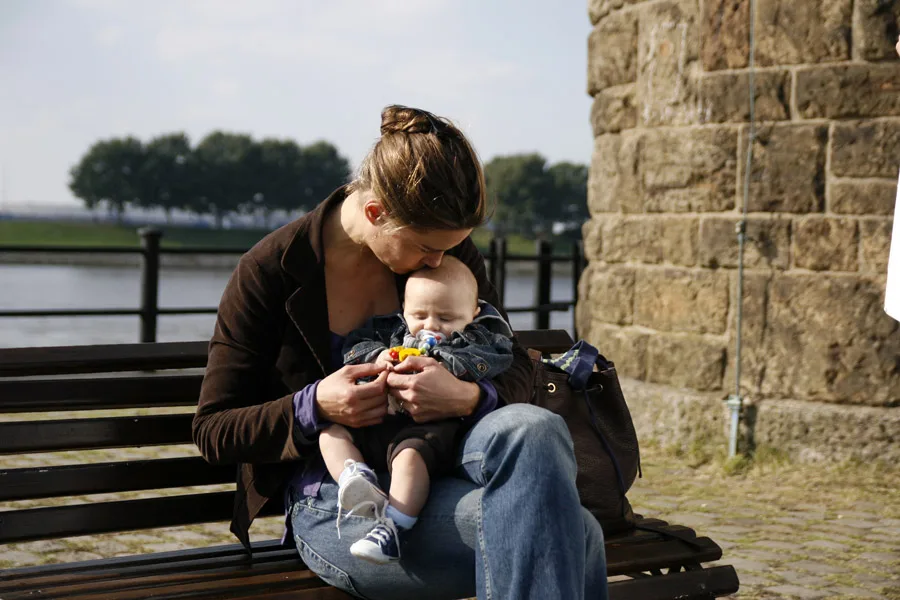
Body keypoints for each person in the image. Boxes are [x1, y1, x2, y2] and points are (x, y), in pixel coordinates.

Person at [192, 104, 608, 600]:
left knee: (534, 428)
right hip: (344, 500)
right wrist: (315, 405)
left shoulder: (443, 246)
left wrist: (468, 397)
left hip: (445, 456)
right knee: (575, 532)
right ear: (376, 214)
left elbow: (513, 359)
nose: (439, 262)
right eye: (427, 250)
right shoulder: (268, 272)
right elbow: (214, 429)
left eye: (450, 249)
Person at [321, 256, 514, 563]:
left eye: (446, 318)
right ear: (404, 309)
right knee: (330, 432)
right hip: (379, 420)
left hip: (427, 427)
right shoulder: (391, 330)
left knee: (409, 457)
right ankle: (356, 480)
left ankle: (393, 528)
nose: (431, 325)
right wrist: (379, 357)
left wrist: (443, 365)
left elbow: (501, 356)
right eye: (419, 315)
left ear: (473, 314)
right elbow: (354, 348)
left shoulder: (473, 340)